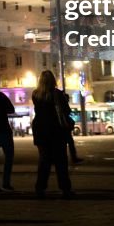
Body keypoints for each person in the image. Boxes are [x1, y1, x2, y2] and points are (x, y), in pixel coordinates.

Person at [31, 71, 74, 199]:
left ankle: (40, 188)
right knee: (61, 161)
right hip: (56, 130)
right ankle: (65, 188)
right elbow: (66, 111)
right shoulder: (57, 94)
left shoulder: (35, 94)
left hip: (40, 130)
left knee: (44, 161)